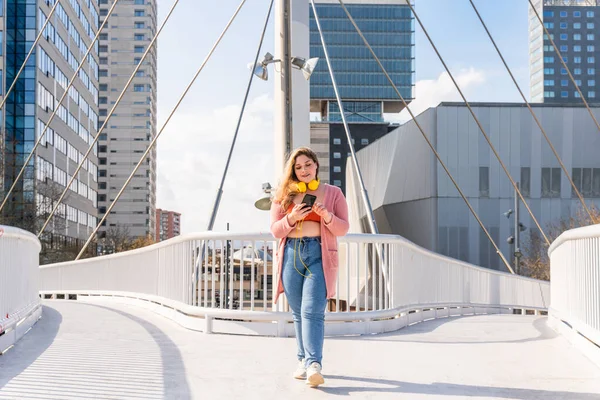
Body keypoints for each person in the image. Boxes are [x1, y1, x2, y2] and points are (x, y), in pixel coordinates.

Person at [270, 147, 349, 388]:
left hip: (319, 253)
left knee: (312, 309)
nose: (304, 170)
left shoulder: (333, 193)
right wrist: (292, 217)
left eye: (307, 164)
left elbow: (343, 228)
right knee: (297, 312)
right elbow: (275, 230)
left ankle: (314, 364)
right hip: (292, 253)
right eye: (298, 167)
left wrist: (326, 217)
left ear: (316, 165)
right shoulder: (284, 195)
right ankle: (302, 359)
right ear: (293, 171)